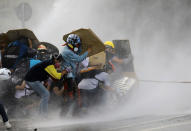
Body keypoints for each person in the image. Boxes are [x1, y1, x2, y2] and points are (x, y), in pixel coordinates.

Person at [60, 34, 91, 100]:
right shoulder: (67, 51)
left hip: (72, 72)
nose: (77, 45)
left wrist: (80, 45)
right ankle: (69, 100)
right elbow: (79, 59)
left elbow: (78, 53)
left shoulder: (69, 48)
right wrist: (88, 51)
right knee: (70, 91)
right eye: (77, 44)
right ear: (72, 43)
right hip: (68, 75)